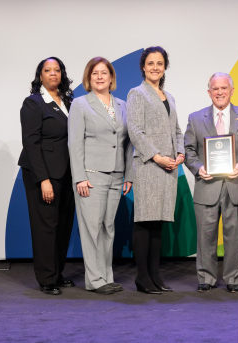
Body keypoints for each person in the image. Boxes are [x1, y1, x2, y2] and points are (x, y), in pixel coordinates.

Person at [184, 72, 238, 293]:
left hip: (236, 185)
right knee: (205, 236)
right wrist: (198, 167)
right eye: (215, 89)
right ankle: (206, 278)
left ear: (231, 90)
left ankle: (233, 279)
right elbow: (188, 150)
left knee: (235, 236)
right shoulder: (195, 118)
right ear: (209, 92)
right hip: (206, 185)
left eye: (224, 88)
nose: (219, 92)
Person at [68, 57, 133, 295]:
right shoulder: (80, 104)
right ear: (89, 77)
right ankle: (94, 280)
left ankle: (106, 276)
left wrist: (129, 175)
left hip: (117, 175)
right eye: (95, 73)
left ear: (111, 77)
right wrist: (79, 177)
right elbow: (74, 143)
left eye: (104, 73)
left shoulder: (123, 105)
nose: (99, 76)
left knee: (108, 227)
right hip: (92, 176)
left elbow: (127, 144)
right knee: (92, 228)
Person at [126, 46, 184, 294]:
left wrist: (180, 153)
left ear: (165, 67)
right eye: (150, 63)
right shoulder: (137, 93)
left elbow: (177, 131)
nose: (155, 67)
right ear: (143, 67)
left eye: (159, 63)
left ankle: (155, 275)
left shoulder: (168, 96)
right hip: (150, 166)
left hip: (169, 167)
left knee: (158, 223)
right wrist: (158, 157)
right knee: (145, 222)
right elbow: (135, 131)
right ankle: (142, 277)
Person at [18, 57, 76, 295]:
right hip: (42, 174)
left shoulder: (69, 102)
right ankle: (46, 279)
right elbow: (31, 143)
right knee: (46, 226)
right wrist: (43, 180)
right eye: (47, 70)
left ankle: (57, 272)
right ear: (40, 76)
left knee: (63, 225)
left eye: (57, 70)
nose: (53, 73)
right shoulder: (33, 103)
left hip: (66, 172)